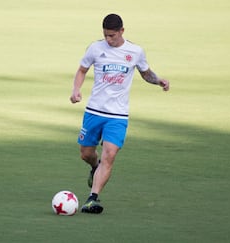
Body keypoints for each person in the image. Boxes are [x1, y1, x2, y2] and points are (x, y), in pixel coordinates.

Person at [70, 13, 170, 214]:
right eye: (106, 35)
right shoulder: (95, 48)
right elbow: (82, 70)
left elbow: (145, 73)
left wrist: (158, 80)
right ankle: (94, 166)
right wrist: (76, 90)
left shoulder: (135, 51)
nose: (108, 40)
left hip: (118, 115)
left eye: (112, 36)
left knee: (110, 154)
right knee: (85, 153)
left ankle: (93, 198)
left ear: (122, 31)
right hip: (94, 111)